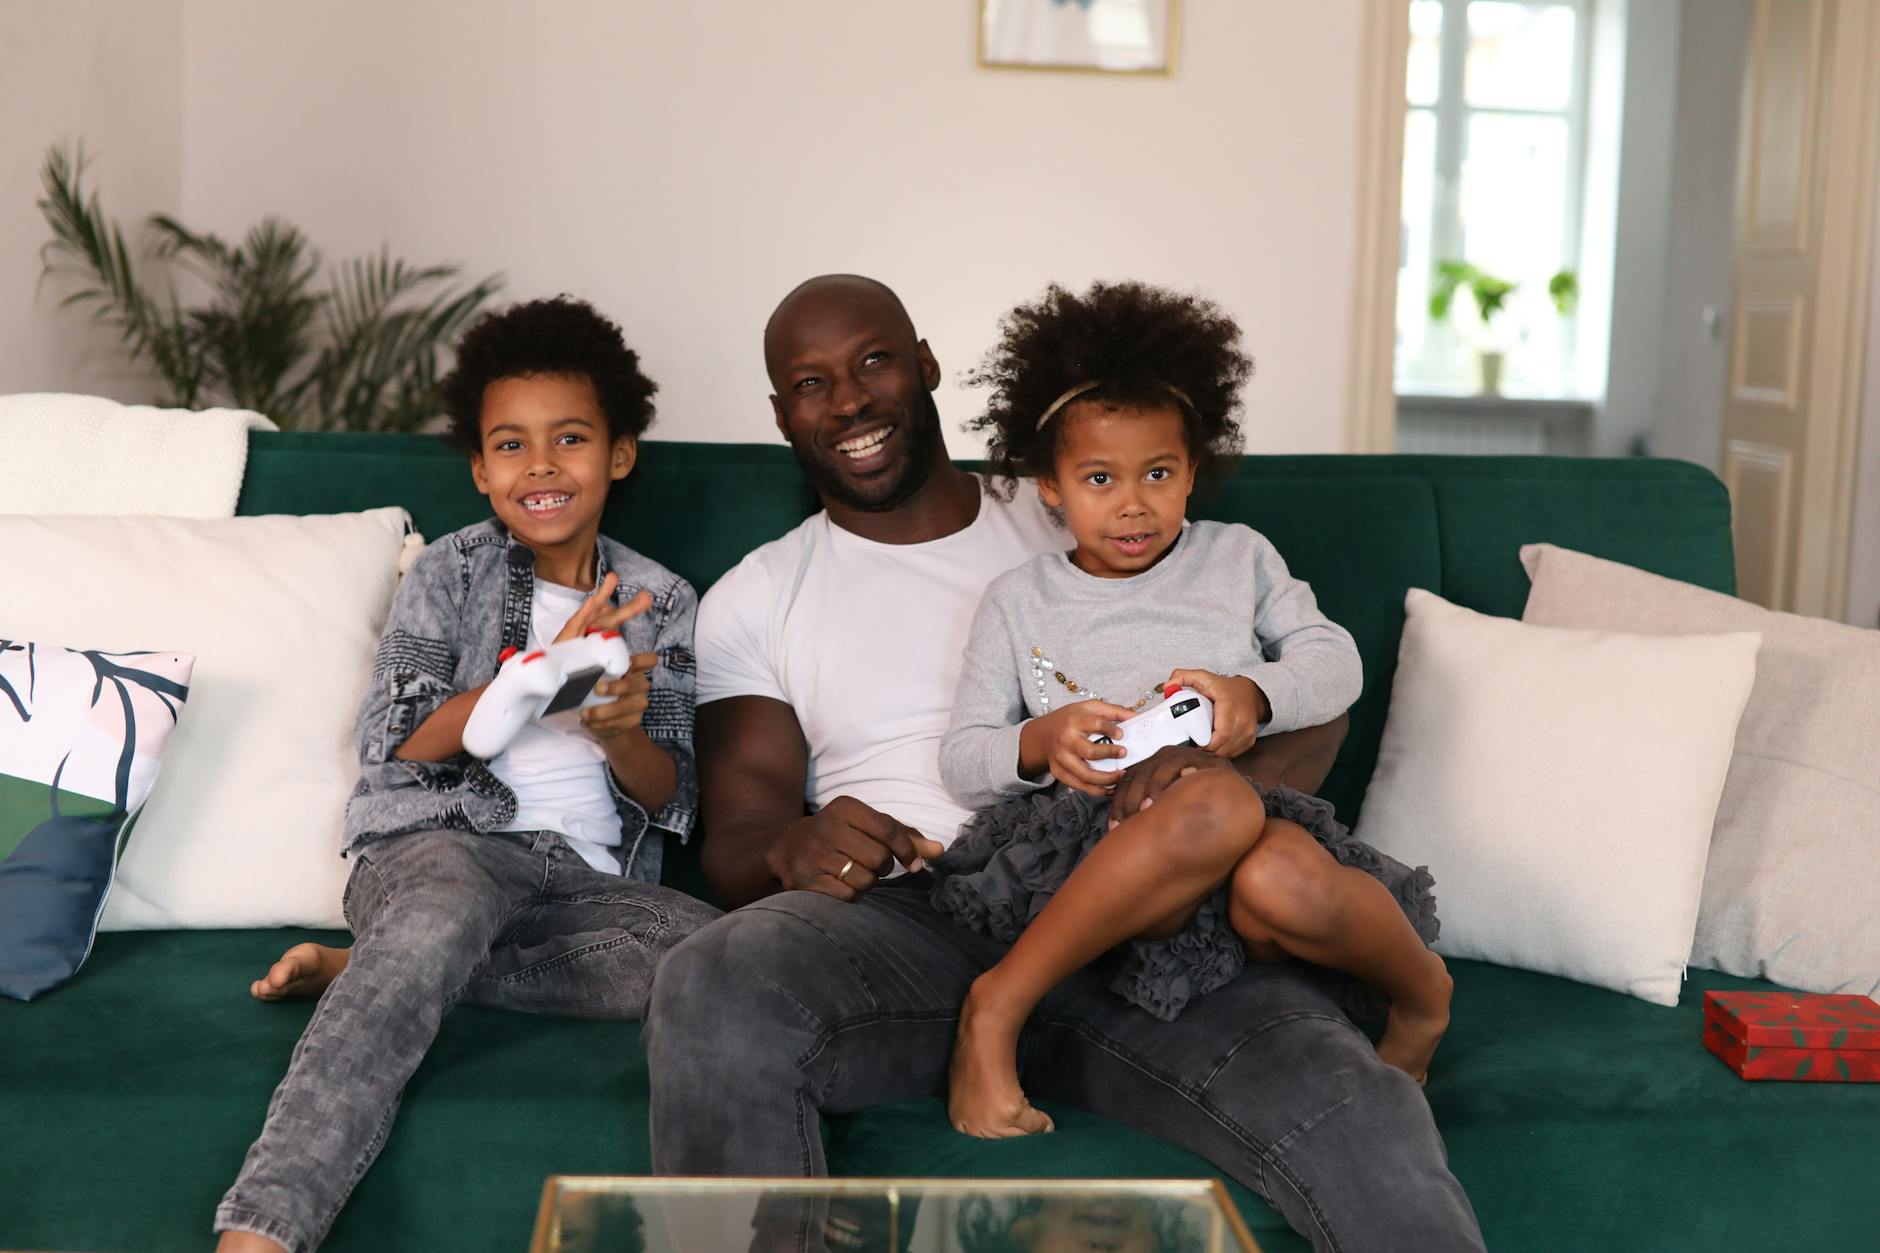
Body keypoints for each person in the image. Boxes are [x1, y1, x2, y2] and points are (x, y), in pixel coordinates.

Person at [642, 275, 1484, 1252]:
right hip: (921, 915)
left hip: (1167, 915)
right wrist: (795, 842)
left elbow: (1310, 704)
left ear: (923, 367)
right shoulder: (757, 595)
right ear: (783, 412)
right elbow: (736, 839)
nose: (850, 399)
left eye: (874, 362)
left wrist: (1192, 807)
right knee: (714, 977)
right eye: (811, 382)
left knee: (1356, 1108)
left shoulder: (1103, 501)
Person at [214, 297, 719, 1253]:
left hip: (581, 882)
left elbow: (672, 795)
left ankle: (388, 966)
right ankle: (262, 1230)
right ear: (482, 469)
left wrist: (617, 732)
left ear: (619, 453)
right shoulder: (448, 572)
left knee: (720, 963)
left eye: (569, 438)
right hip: (442, 845)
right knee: (441, 908)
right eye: (512, 445)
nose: (541, 466)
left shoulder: (662, 599)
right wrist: (524, 683)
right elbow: (398, 739)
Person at [932, 280, 1450, 1140]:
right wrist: (1038, 741)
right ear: (1049, 487)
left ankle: (1425, 993)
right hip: (1109, 848)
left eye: (1158, 473)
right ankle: (995, 1007)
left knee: (1274, 875)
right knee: (1208, 811)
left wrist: (1252, 694)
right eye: (1099, 477)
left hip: (1242, 804)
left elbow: (1336, 662)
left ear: (1193, 471)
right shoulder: (1017, 599)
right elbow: (963, 755)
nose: (1132, 501)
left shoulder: (1237, 557)